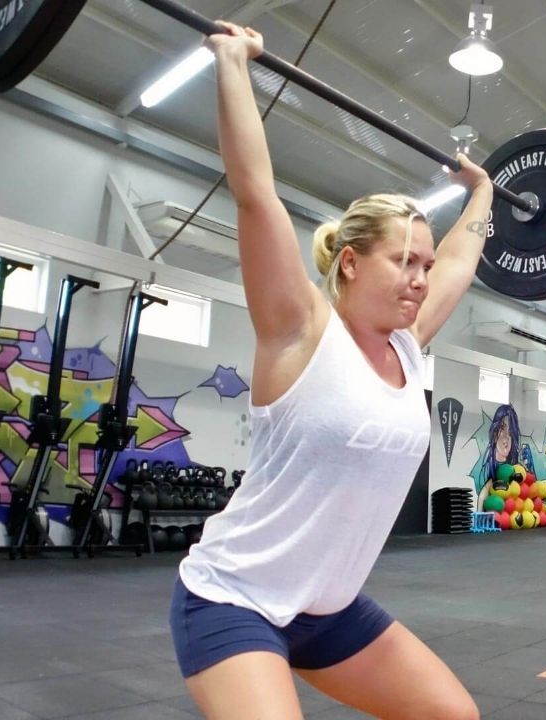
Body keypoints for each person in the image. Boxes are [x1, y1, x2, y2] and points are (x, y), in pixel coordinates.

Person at [169, 22, 491, 720]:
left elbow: (462, 260)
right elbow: (256, 194)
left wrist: (485, 191)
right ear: (349, 262)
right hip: (234, 599)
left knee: (455, 716)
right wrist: (232, 62)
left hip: (329, 613)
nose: (420, 279)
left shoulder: (409, 346)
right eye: (402, 261)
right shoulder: (300, 331)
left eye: (424, 265)